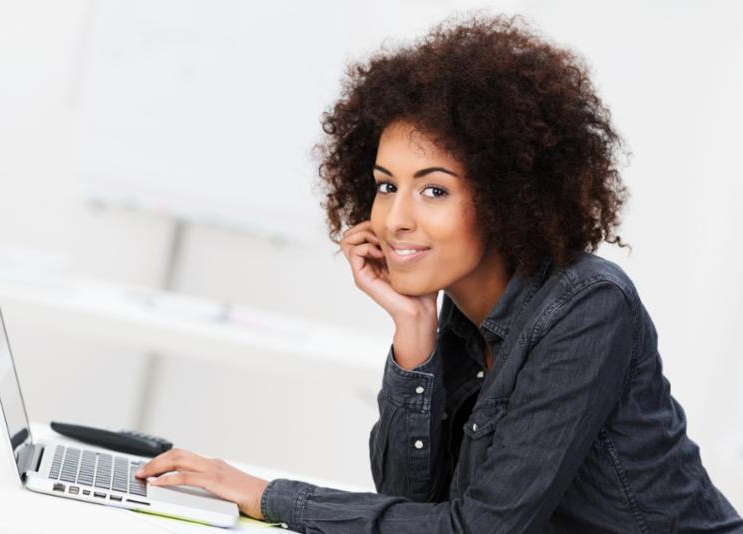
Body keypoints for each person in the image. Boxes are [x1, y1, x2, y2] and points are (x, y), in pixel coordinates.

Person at [134, 11, 743, 533]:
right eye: (385, 185)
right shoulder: (455, 317)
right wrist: (412, 336)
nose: (396, 218)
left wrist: (268, 496)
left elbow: (479, 528)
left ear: (507, 195)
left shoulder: (588, 308)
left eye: (433, 191)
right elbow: (411, 505)